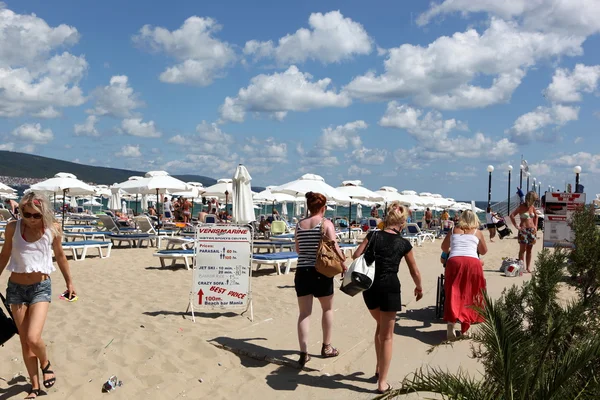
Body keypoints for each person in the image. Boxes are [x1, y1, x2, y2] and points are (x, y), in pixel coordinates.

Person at [0, 192, 76, 399]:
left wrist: (69, 282)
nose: (32, 220)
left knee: (33, 337)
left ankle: (45, 363)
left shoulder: (53, 229)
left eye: (36, 216)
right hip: (15, 288)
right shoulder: (12, 228)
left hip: (40, 287)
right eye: (27, 214)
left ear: (44, 214)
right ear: (21, 212)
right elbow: (4, 255)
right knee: (25, 341)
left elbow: (60, 255)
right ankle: (34, 386)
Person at [352, 201, 423, 394]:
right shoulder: (404, 243)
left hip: (370, 287)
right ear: (402, 223)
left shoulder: (373, 235)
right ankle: (382, 382)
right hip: (390, 288)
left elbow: (356, 255)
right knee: (388, 336)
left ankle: (378, 368)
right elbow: (414, 270)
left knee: (380, 327)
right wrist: (419, 288)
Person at [294, 191, 346, 367]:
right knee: (327, 309)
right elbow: (333, 246)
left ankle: (303, 353)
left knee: (304, 313)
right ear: (323, 208)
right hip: (321, 271)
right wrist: (343, 262)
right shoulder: (326, 223)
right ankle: (326, 347)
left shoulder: (299, 225)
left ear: (309, 207)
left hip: (302, 271)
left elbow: (298, 250)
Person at [441, 209, 487, 340]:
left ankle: (451, 324)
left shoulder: (453, 230)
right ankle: (465, 329)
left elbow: (444, 248)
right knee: (470, 292)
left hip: (455, 261)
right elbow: (483, 251)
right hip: (472, 262)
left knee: (453, 290)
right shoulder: (477, 232)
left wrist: (454, 247)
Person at [509, 191, 539, 273]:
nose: (535, 201)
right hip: (524, 230)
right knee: (522, 250)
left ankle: (528, 268)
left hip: (532, 230)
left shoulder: (532, 207)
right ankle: (521, 267)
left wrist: (536, 226)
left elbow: (536, 216)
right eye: (534, 199)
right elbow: (512, 215)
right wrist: (516, 226)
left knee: (529, 250)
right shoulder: (521, 207)